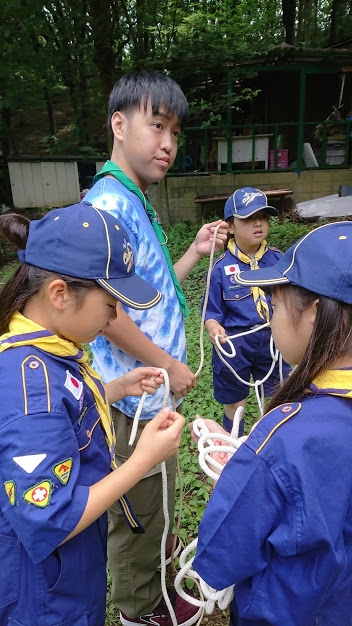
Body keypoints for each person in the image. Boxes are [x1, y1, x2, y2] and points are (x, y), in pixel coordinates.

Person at [83, 69, 228, 626]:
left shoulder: (132, 198)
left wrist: (190, 253)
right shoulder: (110, 208)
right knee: (137, 513)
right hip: (131, 400)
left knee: (155, 501)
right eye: (156, 126)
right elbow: (107, 317)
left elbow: (142, 293)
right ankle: (138, 611)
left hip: (151, 394)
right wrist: (170, 365)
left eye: (175, 131)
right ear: (119, 125)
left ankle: (155, 573)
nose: (168, 143)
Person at [0, 202, 186, 625]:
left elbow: (59, 419)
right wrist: (143, 460)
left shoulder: (52, 351)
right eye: (110, 303)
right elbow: (51, 519)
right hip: (42, 597)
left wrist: (115, 387)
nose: (116, 317)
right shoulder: (29, 388)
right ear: (60, 294)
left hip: (71, 571)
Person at [191, 221, 352, 625]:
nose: (272, 315)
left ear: (314, 314)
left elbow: (222, 554)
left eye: (275, 304)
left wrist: (243, 467)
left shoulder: (283, 438)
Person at [203, 187, 291, 436]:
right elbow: (211, 312)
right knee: (235, 404)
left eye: (263, 217)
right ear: (230, 227)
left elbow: (292, 302)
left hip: (274, 343)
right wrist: (213, 328)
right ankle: (234, 447)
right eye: (248, 218)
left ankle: (272, 445)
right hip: (234, 348)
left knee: (278, 399)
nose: (258, 223)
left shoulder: (279, 262)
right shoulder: (220, 268)